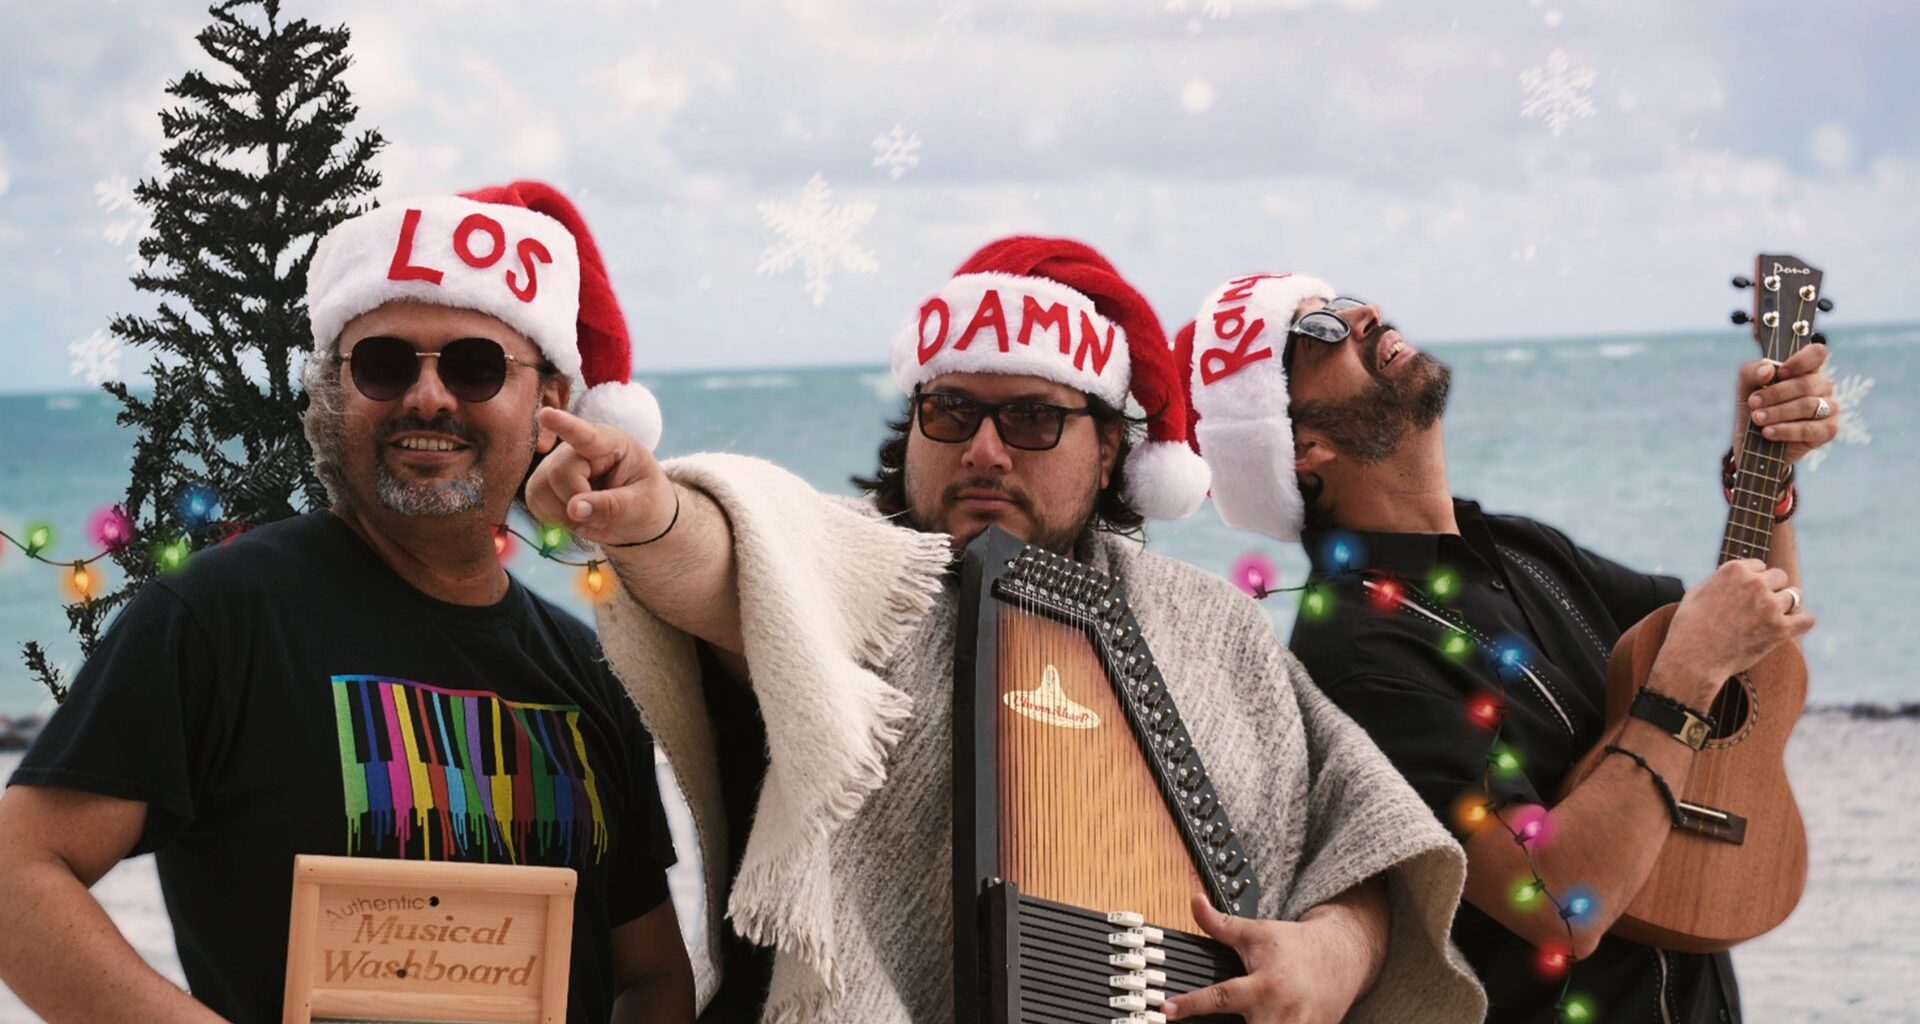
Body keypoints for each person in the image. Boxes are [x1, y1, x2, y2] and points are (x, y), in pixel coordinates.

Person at [522, 237, 1487, 1023]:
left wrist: (1332, 951)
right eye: (951, 414)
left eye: (1033, 419)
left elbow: (1362, 832)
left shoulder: (1214, 630)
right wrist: (647, 516)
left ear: (1111, 447)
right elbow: (731, 555)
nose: (984, 451)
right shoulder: (850, 568)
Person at [0, 182, 695, 1024]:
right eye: (384, 363)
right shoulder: (222, 616)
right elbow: (17, 875)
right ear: (334, 392)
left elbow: (652, 974)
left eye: (477, 365)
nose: (428, 397)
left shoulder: (587, 668)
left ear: (549, 403)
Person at [1174, 271, 1841, 1022]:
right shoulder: (1359, 657)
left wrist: (1768, 479)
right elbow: (1558, 903)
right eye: (1319, 332)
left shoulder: (1521, 549)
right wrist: (1687, 670)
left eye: (1345, 298)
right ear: (1302, 445)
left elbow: (1748, 656)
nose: (1362, 314)